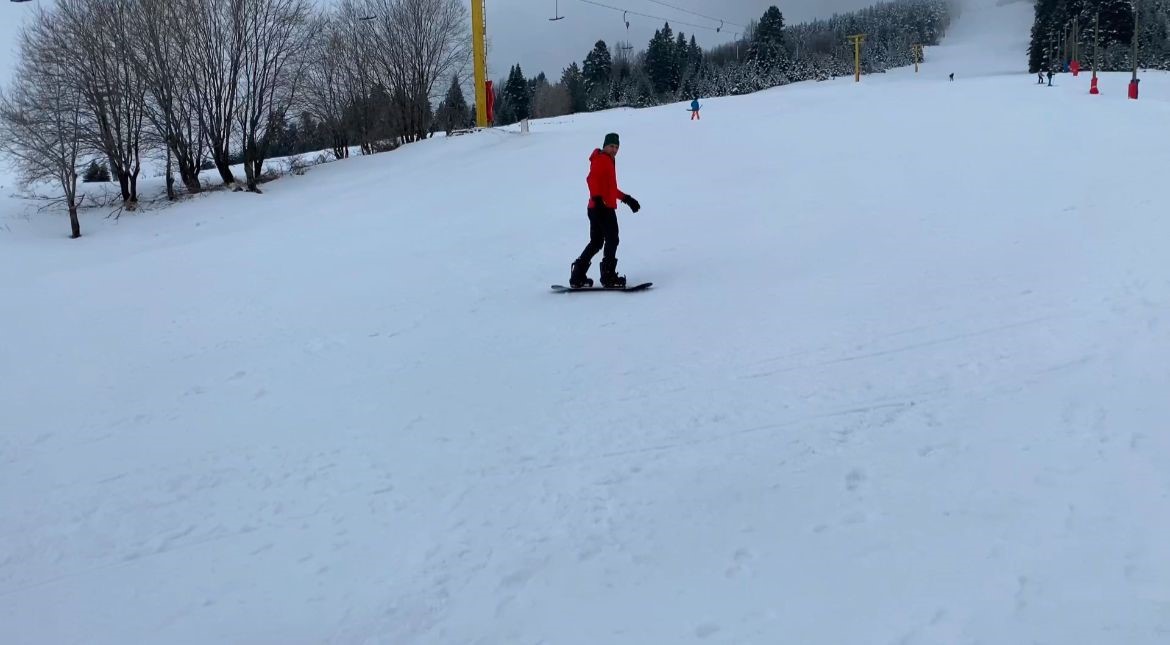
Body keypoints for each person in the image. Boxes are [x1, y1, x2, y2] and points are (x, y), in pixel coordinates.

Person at [569, 133, 640, 288]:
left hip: (595, 208)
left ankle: (577, 275)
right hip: (602, 208)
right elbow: (591, 179)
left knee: (596, 242)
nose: (614, 150)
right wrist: (597, 198)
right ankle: (608, 277)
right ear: (605, 145)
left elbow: (610, 188)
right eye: (611, 146)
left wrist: (626, 199)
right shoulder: (602, 159)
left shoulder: (607, 159)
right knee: (612, 239)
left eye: (616, 147)